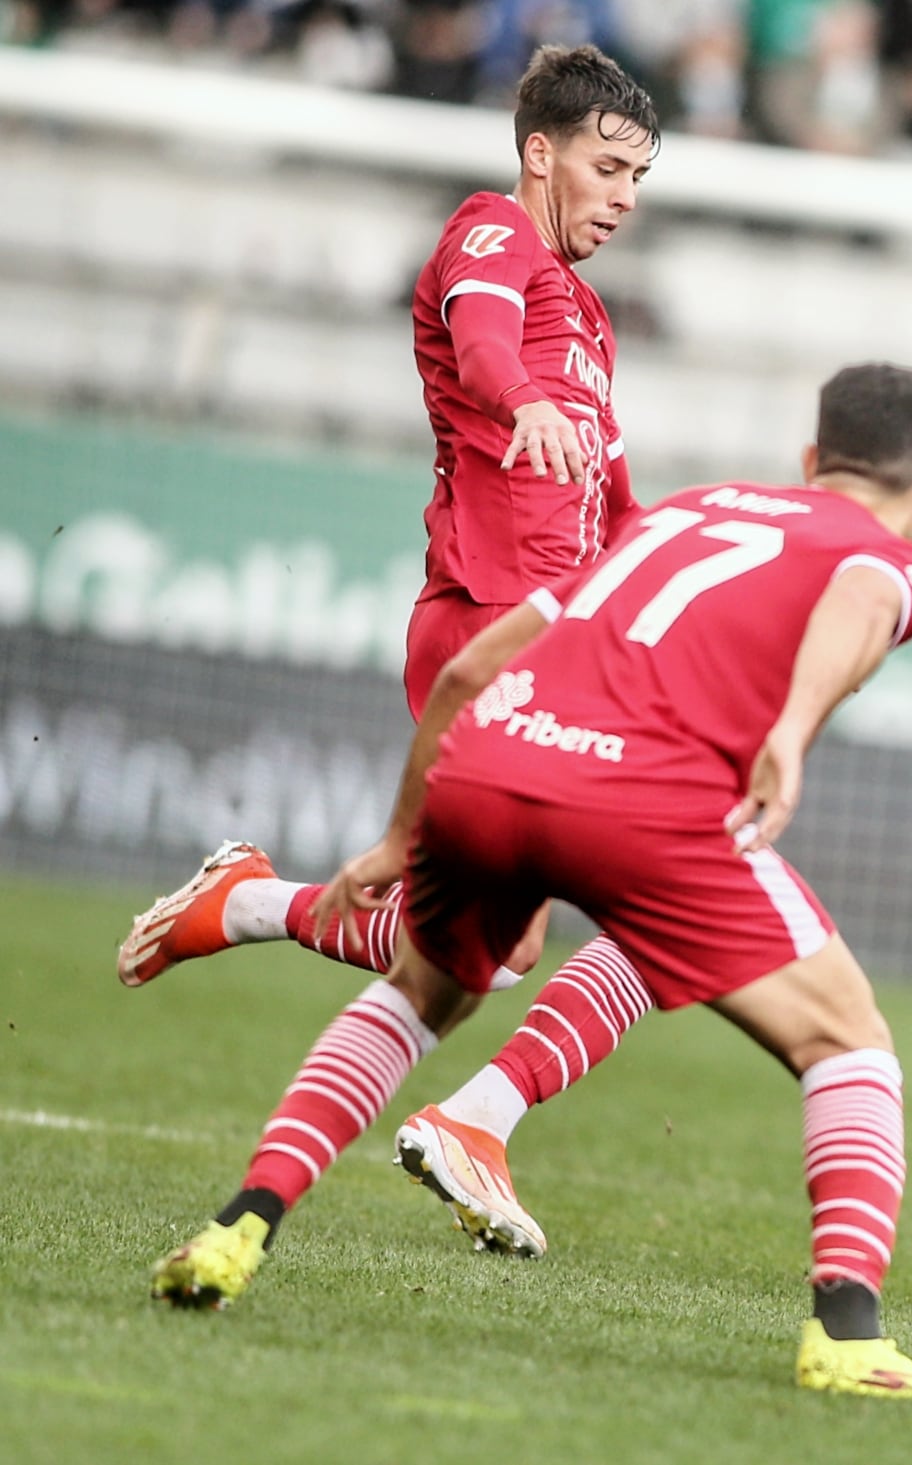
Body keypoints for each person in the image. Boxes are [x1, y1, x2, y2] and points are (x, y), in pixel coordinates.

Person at [148, 363, 912, 1408]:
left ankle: (238, 1228)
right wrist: (790, 730)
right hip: (643, 798)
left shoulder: (678, 512)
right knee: (846, 1039)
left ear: (810, 460)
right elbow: (861, 593)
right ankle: (848, 1336)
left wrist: (402, 831)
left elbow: (465, 673)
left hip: (488, 762)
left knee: (419, 993)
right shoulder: (893, 555)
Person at [116, 44, 675, 1259]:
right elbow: (480, 340)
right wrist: (516, 399)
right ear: (541, 155)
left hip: (560, 639)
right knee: (661, 882)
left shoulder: (586, 315)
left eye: (640, 173)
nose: (625, 193)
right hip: (485, 619)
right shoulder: (490, 238)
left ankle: (245, 903)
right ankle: (471, 1118)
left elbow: (612, 491)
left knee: (495, 947)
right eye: (608, 163)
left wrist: (657, 583)